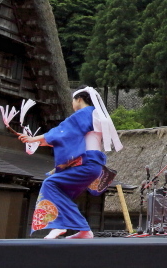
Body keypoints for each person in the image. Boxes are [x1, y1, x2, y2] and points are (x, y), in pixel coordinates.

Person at [18, 86, 123, 239]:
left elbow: (62, 132)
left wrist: (34, 139)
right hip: (92, 165)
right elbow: (67, 138)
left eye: (73, 101)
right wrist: (36, 141)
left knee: (50, 184)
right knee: (59, 191)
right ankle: (84, 230)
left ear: (79, 99)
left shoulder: (85, 113)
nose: (72, 105)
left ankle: (61, 225)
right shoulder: (96, 115)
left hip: (86, 163)